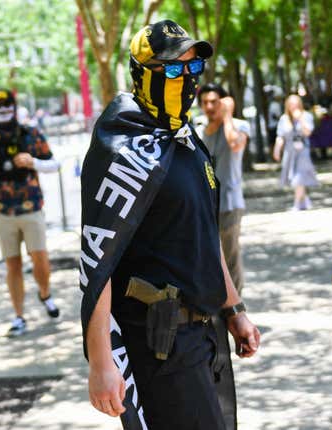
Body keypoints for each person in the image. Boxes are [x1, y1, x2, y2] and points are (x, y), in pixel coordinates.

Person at [79, 20, 260, 430]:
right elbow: (99, 259)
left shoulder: (183, 137)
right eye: (175, 69)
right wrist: (102, 361)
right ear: (142, 73)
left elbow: (204, 234)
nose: (188, 80)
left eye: (194, 69)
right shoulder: (122, 148)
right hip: (158, 343)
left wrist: (234, 310)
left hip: (202, 334)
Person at [0, 89, 60, 337]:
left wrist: (33, 162)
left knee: (39, 257)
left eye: (7, 104)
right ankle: (19, 316)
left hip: (31, 207)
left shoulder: (31, 133)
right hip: (1, 212)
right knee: (13, 265)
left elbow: (55, 164)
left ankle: (45, 294)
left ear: (14, 106)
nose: (3, 108)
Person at [196, 83, 250, 296]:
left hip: (229, 203)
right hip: (203, 206)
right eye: (205, 102)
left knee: (230, 257)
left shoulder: (239, 126)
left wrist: (227, 116)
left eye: (214, 102)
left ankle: (236, 309)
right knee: (207, 258)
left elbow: (235, 144)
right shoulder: (198, 131)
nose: (209, 107)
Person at [272, 94, 319, 210]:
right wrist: (277, 149)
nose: (293, 107)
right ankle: (305, 199)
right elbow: (280, 136)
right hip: (290, 152)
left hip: (303, 151)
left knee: (299, 177)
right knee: (293, 177)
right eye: (291, 104)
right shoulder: (284, 119)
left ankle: (297, 203)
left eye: (296, 104)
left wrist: (301, 120)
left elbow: (308, 133)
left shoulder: (306, 116)